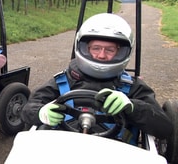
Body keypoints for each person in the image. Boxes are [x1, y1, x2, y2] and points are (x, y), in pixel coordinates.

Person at [20, 13, 172, 141]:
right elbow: (28, 109)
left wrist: (132, 107)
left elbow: (164, 128)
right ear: (85, 48)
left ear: (120, 52)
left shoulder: (133, 87)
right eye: (96, 48)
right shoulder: (63, 80)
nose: (101, 55)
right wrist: (40, 112)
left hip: (117, 153)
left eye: (110, 50)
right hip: (64, 148)